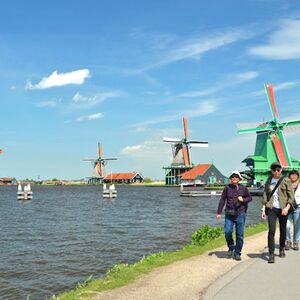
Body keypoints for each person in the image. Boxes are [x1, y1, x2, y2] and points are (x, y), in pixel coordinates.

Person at [261, 162, 294, 263]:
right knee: (271, 230)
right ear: (271, 170)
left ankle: (282, 248)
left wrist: (287, 208)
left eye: (278, 169)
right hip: (271, 208)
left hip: (283, 209)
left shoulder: (286, 180)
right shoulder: (269, 180)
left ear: (281, 170)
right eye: (274, 169)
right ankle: (271, 254)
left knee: (283, 230)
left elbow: (291, 196)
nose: (276, 171)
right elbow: (266, 195)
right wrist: (263, 208)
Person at [217, 171, 252, 261]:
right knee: (227, 231)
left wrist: (243, 199)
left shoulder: (243, 188)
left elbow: (250, 198)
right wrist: (219, 212)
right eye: (232, 177)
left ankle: (237, 253)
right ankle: (231, 246)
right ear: (230, 178)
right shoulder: (227, 188)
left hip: (240, 213)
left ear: (239, 179)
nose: (234, 178)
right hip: (229, 213)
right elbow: (222, 200)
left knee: (239, 235)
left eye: (236, 177)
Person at [285, 170, 300, 251]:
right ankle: (288, 241)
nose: (293, 176)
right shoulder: (286, 185)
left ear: (297, 176)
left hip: (297, 207)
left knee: (297, 226)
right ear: (289, 176)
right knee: (286, 225)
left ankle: (296, 242)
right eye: (292, 175)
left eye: (295, 175)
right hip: (288, 208)